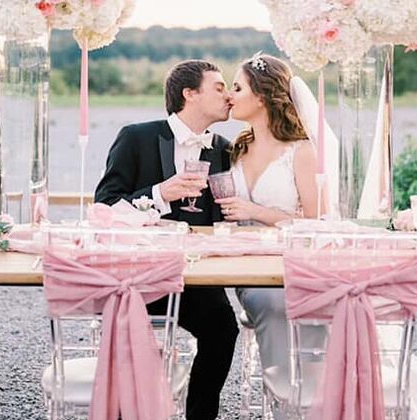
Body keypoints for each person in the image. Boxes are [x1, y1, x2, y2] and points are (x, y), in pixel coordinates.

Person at [94, 60, 239, 420]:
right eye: (219, 87)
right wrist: (161, 193)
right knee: (131, 335)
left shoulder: (223, 149)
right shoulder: (136, 137)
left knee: (223, 329)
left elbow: (223, 217)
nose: (228, 95)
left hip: (195, 279)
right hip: (137, 276)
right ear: (190, 94)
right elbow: (105, 205)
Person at [215, 54, 323, 373]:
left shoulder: (302, 151)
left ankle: (297, 387)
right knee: (267, 300)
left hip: (293, 264)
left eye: (237, 88)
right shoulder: (236, 149)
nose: (229, 96)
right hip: (247, 267)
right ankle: (284, 389)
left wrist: (256, 211)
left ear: (261, 97)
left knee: (278, 301)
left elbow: (317, 223)